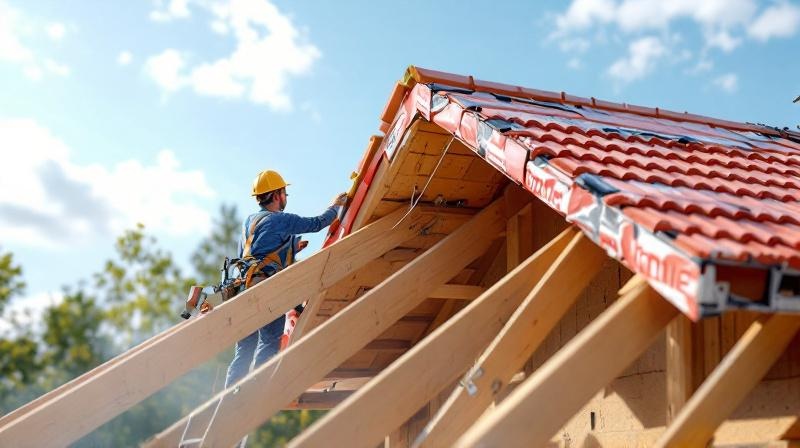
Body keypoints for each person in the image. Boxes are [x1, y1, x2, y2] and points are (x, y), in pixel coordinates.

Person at [225, 169, 346, 388]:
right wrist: (336, 206)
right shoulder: (280, 220)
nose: (286, 198)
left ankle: (231, 395)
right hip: (267, 291)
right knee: (270, 343)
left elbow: (257, 252)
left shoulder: (249, 222)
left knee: (244, 348)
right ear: (277, 194)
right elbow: (318, 223)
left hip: (243, 290)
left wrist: (292, 248)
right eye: (284, 194)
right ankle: (255, 392)